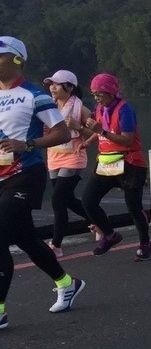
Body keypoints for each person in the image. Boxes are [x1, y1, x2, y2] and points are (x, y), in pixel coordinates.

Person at [0, 36, 84, 327]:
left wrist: (28, 144)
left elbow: (62, 134)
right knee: (26, 238)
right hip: (0, 176)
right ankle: (66, 282)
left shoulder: (35, 95)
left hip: (26, 175)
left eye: (0, 56)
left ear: (17, 60)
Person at [80, 73, 151, 259]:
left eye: (99, 94)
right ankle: (110, 235)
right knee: (88, 200)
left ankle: (145, 243)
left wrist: (100, 131)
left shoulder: (124, 109)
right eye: (93, 94)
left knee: (133, 207)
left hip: (130, 163)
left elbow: (127, 140)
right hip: (107, 162)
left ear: (111, 93)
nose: (96, 98)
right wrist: (88, 139)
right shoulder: (99, 109)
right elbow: (101, 132)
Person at [42, 69, 94, 257]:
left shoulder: (81, 109)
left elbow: (97, 133)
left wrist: (78, 127)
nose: (52, 87)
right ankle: (97, 221)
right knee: (68, 199)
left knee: (57, 199)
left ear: (70, 87)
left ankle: (56, 245)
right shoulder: (49, 105)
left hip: (73, 156)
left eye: (57, 84)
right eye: (51, 84)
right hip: (54, 157)